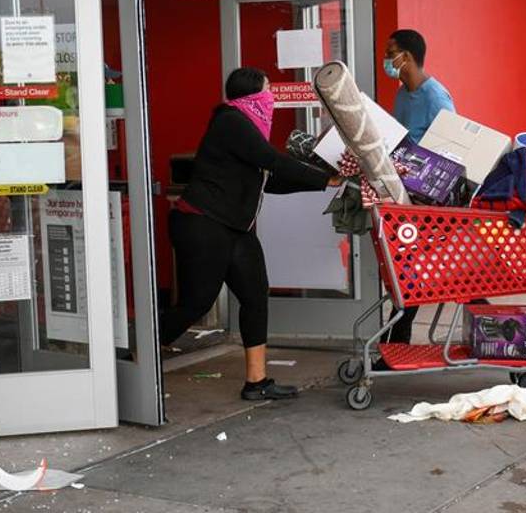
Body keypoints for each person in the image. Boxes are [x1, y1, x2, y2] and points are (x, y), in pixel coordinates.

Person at [163, 67, 340, 400]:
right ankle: (137, 358)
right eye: (268, 89)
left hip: (233, 228)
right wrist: (322, 178)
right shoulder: (231, 121)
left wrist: (324, 183)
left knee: (256, 295)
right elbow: (271, 161)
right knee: (195, 303)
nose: (272, 96)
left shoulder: (249, 129)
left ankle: (256, 383)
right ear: (252, 95)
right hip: (203, 223)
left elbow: (268, 180)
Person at [382, 29, 456, 349]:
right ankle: (395, 340)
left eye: (390, 53)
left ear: (407, 57)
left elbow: (452, 151)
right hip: (406, 194)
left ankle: (395, 341)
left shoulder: (436, 98)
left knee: (416, 271)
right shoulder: (403, 94)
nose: (387, 60)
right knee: (411, 271)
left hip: (430, 199)